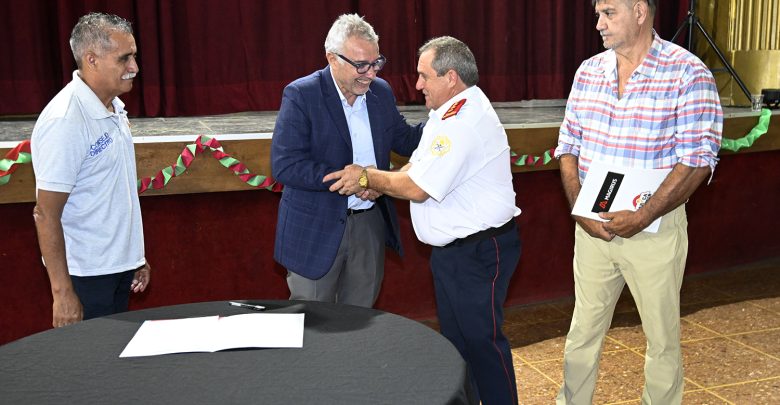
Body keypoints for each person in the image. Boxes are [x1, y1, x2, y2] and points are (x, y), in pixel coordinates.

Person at [325, 36, 521, 405]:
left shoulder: (461, 121)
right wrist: (381, 181)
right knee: (459, 345)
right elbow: (418, 166)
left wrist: (368, 177)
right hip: (458, 254)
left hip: (478, 252)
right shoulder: (448, 112)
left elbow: (417, 186)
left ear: (450, 77)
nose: (417, 85)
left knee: (483, 345)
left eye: (423, 76)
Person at [554, 1, 722, 403]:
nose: (599, 24)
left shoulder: (687, 72)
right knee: (582, 333)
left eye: (609, 13)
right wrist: (581, 210)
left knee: (662, 340)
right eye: (598, 13)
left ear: (641, 12)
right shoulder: (588, 71)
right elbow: (567, 147)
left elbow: (697, 162)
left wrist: (643, 215)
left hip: (655, 232)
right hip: (593, 229)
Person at [270, 14, 423, 308]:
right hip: (316, 226)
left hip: (369, 226)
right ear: (332, 58)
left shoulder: (381, 92)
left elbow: (404, 140)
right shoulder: (302, 94)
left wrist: (446, 116)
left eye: (376, 63)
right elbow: (285, 164)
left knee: (360, 323)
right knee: (312, 323)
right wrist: (350, 181)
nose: (370, 74)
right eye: (361, 65)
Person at [31, 13, 150, 328]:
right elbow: (45, 214)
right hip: (86, 277)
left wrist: (133, 257)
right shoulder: (65, 120)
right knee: (90, 371)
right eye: (124, 58)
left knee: (114, 367)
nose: (134, 67)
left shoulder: (114, 109)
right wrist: (63, 292)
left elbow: (113, 194)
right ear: (92, 60)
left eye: (134, 56)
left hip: (117, 269)